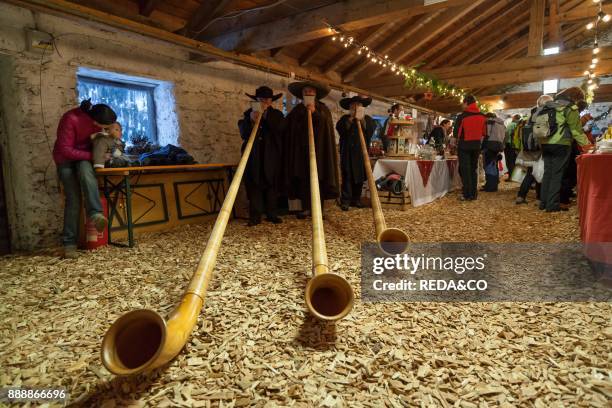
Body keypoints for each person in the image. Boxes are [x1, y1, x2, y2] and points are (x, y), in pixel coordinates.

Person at [53, 99, 116, 258]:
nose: (105, 130)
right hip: (65, 159)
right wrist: (93, 156)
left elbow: (100, 141)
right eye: (104, 127)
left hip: (83, 158)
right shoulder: (70, 119)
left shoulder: (96, 122)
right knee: (73, 199)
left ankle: (95, 214)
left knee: (88, 176)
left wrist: (105, 153)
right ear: (95, 121)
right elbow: (65, 150)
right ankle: (69, 245)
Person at [283, 81, 339, 219]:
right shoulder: (296, 111)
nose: (308, 93)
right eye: (306, 91)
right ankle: (306, 208)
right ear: (302, 94)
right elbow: (289, 129)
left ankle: (318, 209)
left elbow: (325, 127)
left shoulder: (323, 109)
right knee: (303, 180)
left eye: (311, 91)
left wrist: (314, 113)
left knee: (318, 179)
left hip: (320, 153)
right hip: (301, 153)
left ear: (315, 94)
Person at [238, 86, 285, 226]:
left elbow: (280, 128)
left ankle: (272, 214)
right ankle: (255, 216)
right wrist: (252, 120)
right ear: (256, 100)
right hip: (254, 155)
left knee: (271, 184)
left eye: (267, 99)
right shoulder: (248, 115)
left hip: (271, 155)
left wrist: (264, 116)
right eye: (261, 99)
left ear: (271, 101)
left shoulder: (277, 115)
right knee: (254, 183)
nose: (265, 102)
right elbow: (244, 134)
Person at [539, 87, 591, 212]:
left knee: (547, 173)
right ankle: (552, 206)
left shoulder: (549, 105)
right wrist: (587, 145)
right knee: (557, 175)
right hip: (561, 143)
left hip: (545, 142)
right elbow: (576, 131)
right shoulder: (570, 108)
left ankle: (543, 203)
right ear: (576, 97)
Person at [336, 95, 375, 211]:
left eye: (358, 105)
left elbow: (371, 131)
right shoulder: (345, 119)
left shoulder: (368, 119)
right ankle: (345, 201)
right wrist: (351, 119)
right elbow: (340, 129)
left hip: (360, 154)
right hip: (347, 153)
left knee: (359, 176)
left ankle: (356, 199)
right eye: (353, 105)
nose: (356, 107)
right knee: (347, 176)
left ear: (362, 107)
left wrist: (361, 119)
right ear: (349, 108)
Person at [515, 95, 552, 204]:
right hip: (540, 147)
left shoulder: (532, 115)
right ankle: (539, 198)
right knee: (539, 172)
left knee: (531, 172)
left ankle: (521, 196)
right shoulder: (545, 114)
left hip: (529, 148)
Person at [453, 95, 487, 201]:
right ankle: (473, 194)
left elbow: (455, 134)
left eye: (463, 103)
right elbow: (484, 133)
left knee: (464, 170)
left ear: (467, 103)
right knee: (473, 169)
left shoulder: (462, 116)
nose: (462, 105)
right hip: (476, 146)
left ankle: (467, 194)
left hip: (464, 146)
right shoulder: (483, 116)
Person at [481, 113, 505, 192]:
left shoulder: (490, 122)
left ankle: (490, 186)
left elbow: (486, 135)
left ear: (488, 117)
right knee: (494, 165)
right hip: (499, 146)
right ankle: (494, 185)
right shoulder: (501, 124)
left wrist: (481, 146)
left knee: (489, 165)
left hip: (490, 145)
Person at [504, 114, 521, 181]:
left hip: (509, 145)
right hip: (516, 146)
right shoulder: (519, 125)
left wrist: (504, 144)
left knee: (509, 161)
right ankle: (516, 177)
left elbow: (507, 135)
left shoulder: (511, 125)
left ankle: (511, 177)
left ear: (514, 118)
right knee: (514, 161)